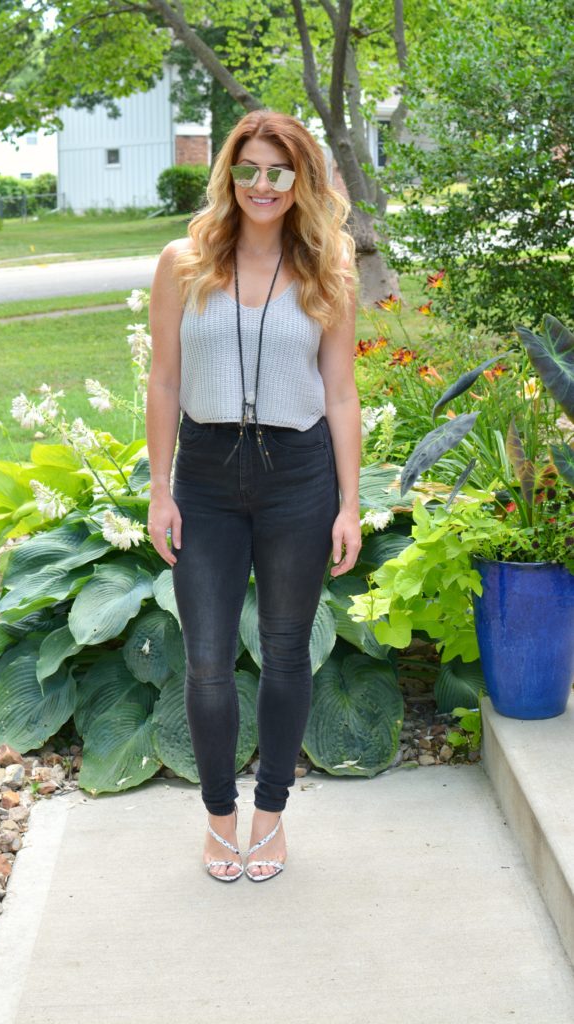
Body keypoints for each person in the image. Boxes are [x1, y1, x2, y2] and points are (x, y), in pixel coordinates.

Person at [146, 109, 361, 883]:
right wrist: (158, 491)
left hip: (296, 476)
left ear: (299, 180)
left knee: (283, 652)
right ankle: (218, 819)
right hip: (203, 476)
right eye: (248, 169)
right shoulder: (181, 261)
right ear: (228, 175)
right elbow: (164, 379)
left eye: (277, 170)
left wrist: (347, 504)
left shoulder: (326, 265)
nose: (261, 185)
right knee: (205, 661)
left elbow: (340, 394)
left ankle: (269, 817)